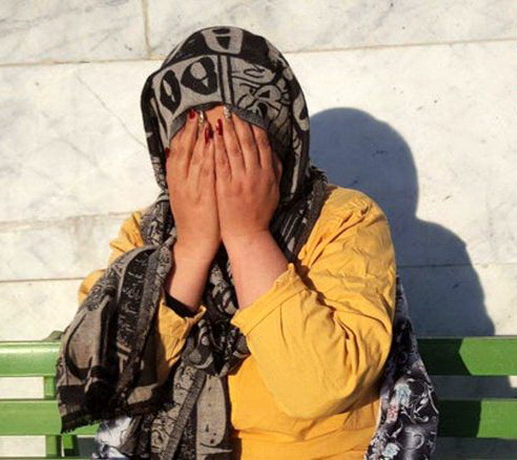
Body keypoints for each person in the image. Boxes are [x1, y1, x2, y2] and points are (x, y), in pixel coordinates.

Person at [58, 26, 439, 460]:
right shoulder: (145, 235)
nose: (219, 160)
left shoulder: (345, 220)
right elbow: (108, 379)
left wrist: (248, 237)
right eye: (196, 141)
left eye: (241, 142)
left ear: (281, 139)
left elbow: (320, 388)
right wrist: (192, 246)